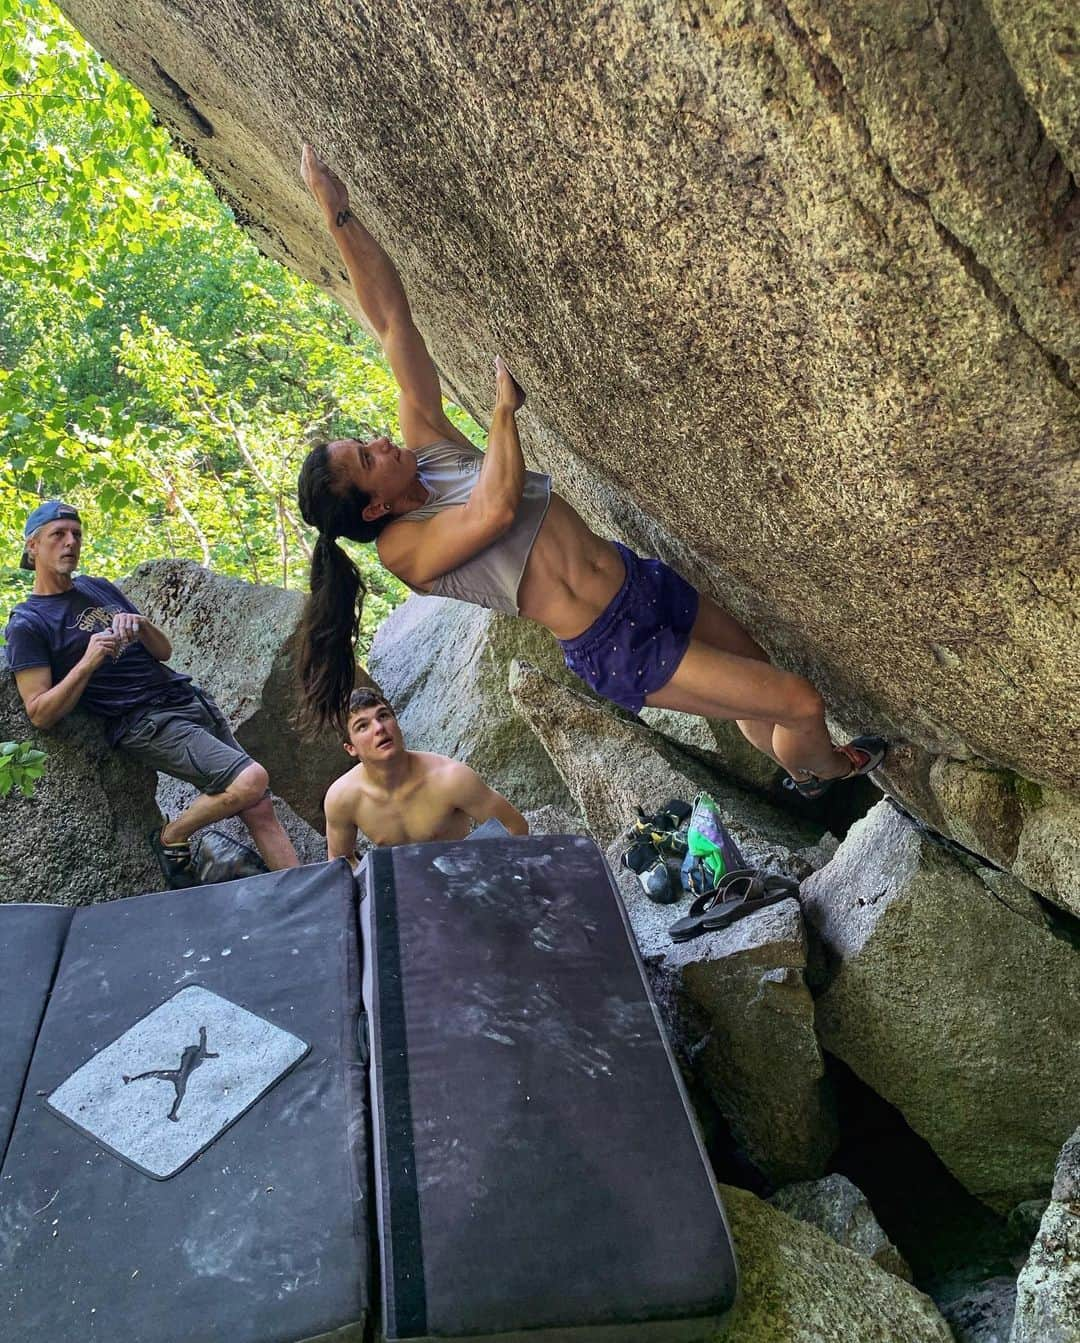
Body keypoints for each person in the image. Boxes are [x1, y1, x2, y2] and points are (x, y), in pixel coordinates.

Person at [295, 146, 885, 798]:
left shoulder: (426, 449)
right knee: (798, 702)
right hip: (614, 643)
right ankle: (819, 770)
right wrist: (500, 414)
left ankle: (799, 757)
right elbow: (492, 508)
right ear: (374, 508)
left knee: (756, 685)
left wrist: (337, 213)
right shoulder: (404, 548)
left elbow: (390, 321)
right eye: (367, 460)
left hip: (635, 578)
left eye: (366, 440)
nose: (380, 442)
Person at [5, 500, 300, 887]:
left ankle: (312, 891)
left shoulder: (98, 588)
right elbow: (39, 712)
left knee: (259, 806)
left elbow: (163, 651)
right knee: (250, 781)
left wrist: (141, 625)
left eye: (76, 534)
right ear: (32, 547)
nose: (70, 543)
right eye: (57, 535)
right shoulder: (28, 622)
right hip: (143, 722)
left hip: (185, 700)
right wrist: (88, 661)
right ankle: (171, 836)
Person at [324, 688, 528, 858]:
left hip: (463, 878)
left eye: (383, 716)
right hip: (405, 890)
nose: (379, 728)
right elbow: (340, 864)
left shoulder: (450, 778)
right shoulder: (342, 797)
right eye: (363, 726)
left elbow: (515, 827)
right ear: (351, 748)